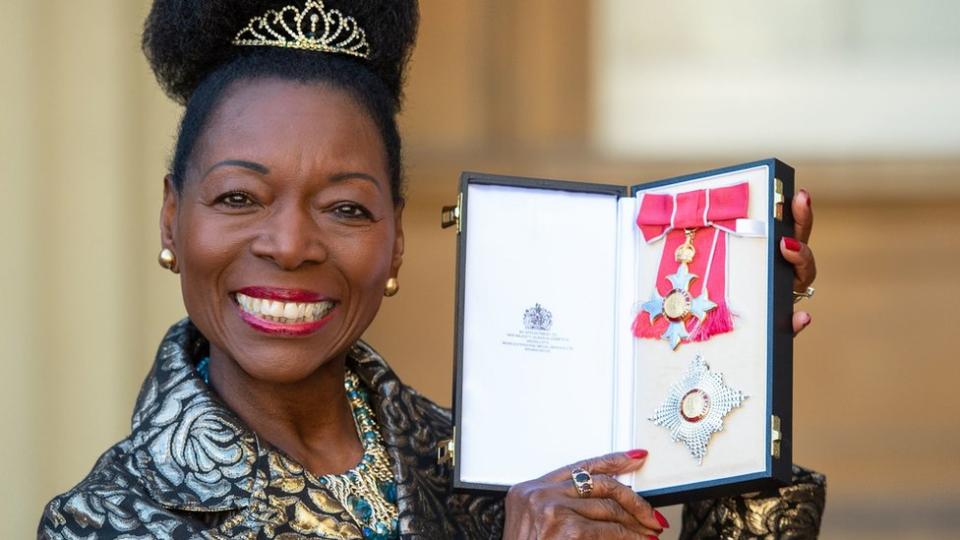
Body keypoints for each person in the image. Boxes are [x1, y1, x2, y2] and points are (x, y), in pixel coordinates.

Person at [38, 0, 823, 538]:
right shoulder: (102, 520)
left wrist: (733, 379)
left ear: (396, 243)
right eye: (240, 196)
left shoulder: (493, 462)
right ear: (173, 217)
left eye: (345, 208)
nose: (290, 244)